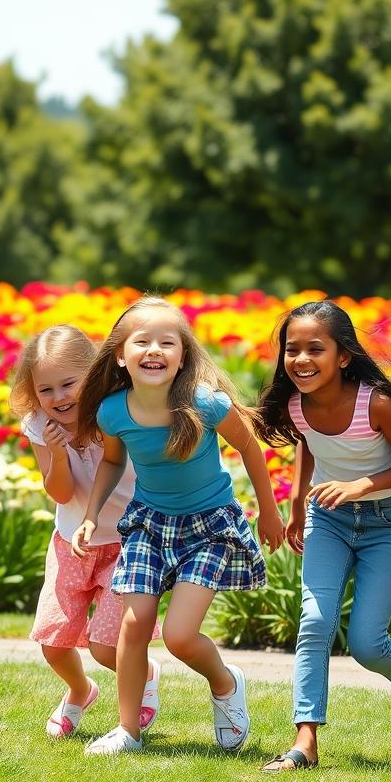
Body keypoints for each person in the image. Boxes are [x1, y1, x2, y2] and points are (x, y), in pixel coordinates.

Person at [74, 297, 285, 755]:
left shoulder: (204, 404)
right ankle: (128, 730)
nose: (155, 350)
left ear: (183, 356)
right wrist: (91, 515)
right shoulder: (113, 412)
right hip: (150, 525)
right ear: (119, 355)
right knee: (134, 625)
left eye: (167, 342)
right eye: (142, 341)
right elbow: (112, 461)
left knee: (179, 637)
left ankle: (226, 684)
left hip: (209, 525)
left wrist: (269, 511)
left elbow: (250, 448)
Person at [256, 300, 391, 772]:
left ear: (343, 356)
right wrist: (297, 505)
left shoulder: (375, 402)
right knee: (315, 622)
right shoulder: (296, 404)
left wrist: (365, 486)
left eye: (315, 349)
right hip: (329, 521)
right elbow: (305, 442)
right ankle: (305, 741)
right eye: (291, 349)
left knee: (366, 642)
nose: (301, 359)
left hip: (386, 523)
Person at [9, 325, 160, 739]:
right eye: (45, 389)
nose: (58, 398)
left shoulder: (116, 412)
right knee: (54, 645)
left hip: (128, 542)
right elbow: (60, 492)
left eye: (68, 384)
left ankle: (144, 675)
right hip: (72, 543)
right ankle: (79, 690)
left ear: (92, 375)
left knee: (108, 647)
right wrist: (58, 452)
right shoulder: (40, 425)